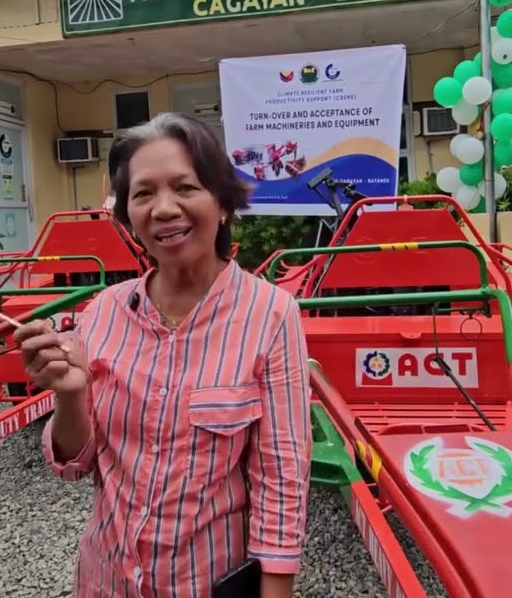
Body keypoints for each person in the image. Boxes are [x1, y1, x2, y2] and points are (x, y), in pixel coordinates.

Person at [16, 112, 312, 598]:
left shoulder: (271, 316)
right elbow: (74, 464)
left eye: (185, 187)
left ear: (221, 203)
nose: (164, 209)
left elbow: (281, 480)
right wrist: (69, 398)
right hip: (106, 581)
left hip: (205, 581)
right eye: (144, 193)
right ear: (127, 215)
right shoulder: (105, 312)